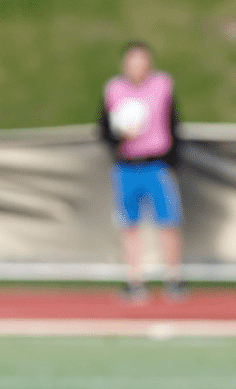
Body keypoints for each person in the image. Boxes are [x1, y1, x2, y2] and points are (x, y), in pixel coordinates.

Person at [100, 40, 184, 302]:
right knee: (129, 225)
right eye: (132, 61)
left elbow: (174, 123)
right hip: (126, 166)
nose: (137, 66)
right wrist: (119, 136)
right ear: (124, 64)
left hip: (157, 164)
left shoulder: (162, 86)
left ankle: (173, 279)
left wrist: (172, 161)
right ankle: (134, 281)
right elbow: (103, 128)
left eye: (142, 61)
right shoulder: (113, 89)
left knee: (168, 222)